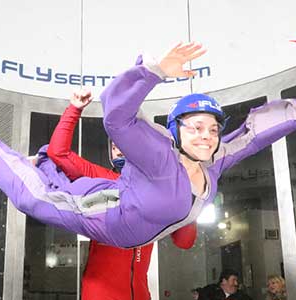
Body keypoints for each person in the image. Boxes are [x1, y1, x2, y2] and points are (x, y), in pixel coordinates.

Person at [0, 41, 296, 248]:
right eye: (196, 127)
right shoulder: (159, 157)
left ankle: (42, 164)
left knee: (72, 181)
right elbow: (116, 118)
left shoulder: (213, 161)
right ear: (176, 132)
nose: (207, 136)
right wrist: (151, 73)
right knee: (36, 200)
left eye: (213, 129)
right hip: (108, 220)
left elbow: (251, 138)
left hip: (121, 198)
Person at [47, 89, 197, 299]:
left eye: (123, 143)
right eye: (114, 145)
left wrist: (187, 188)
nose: (118, 148)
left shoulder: (161, 189)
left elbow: (184, 241)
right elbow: (57, 152)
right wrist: (74, 109)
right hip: (100, 293)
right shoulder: (102, 178)